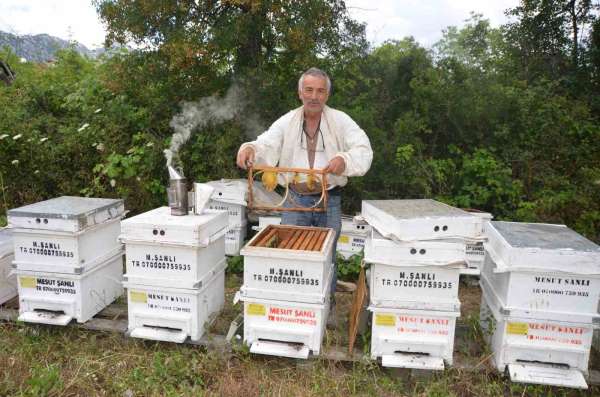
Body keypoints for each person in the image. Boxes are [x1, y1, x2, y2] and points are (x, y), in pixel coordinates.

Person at [236, 67, 373, 327]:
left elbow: (363, 149)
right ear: (300, 93)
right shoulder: (287, 120)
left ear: (327, 94)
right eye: (309, 90)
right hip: (295, 199)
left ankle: (327, 306)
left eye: (320, 91)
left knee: (328, 255)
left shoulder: (341, 121)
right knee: (291, 254)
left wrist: (344, 160)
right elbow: (267, 142)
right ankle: (294, 305)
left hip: (329, 199)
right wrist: (250, 148)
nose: (314, 96)